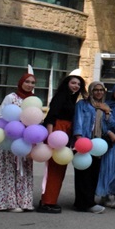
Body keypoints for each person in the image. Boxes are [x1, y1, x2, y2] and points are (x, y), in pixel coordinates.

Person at [0, 73, 37, 212]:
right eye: (27, 82)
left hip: (25, 142)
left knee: (25, 171)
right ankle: (10, 203)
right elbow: (0, 116)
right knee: (9, 170)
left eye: (33, 83)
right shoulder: (11, 97)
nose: (30, 85)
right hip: (10, 141)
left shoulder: (34, 100)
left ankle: (24, 201)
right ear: (21, 82)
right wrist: (16, 125)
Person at [38, 74, 86, 214]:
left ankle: (50, 200)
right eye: (73, 83)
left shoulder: (72, 98)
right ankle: (47, 202)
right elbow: (51, 117)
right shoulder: (61, 96)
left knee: (59, 169)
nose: (76, 86)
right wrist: (51, 136)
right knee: (53, 169)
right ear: (67, 83)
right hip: (58, 133)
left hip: (65, 134)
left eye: (78, 84)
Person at [72, 81, 115, 213]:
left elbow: (109, 126)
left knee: (93, 174)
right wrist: (79, 138)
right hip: (84, 142)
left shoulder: (104, 106)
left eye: (101, 90)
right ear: (91, 91)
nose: (99, 92)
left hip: (98, 144)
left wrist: (108, 113)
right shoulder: (83, 104)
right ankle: (82, 203)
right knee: (83, 173)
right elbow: (78, 121)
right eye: (96, 90)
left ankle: (89, 201)